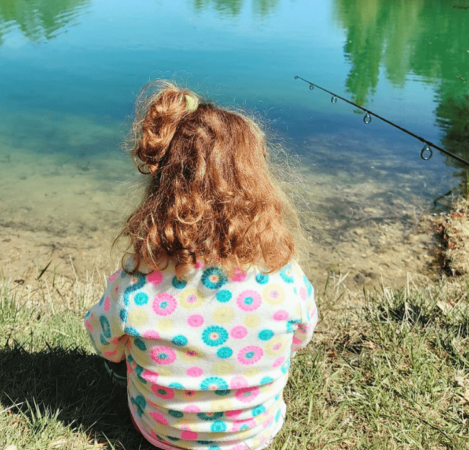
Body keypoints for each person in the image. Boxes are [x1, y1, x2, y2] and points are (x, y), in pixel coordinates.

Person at [84, 81, 317, 450]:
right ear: (256, 185)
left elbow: (104, 344)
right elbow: (301, 337)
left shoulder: (139, 282)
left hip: (160, 435)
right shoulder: (282, 278)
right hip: (253, 436)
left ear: (162, 190)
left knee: (122, 352)